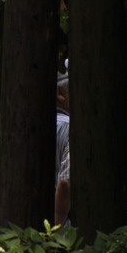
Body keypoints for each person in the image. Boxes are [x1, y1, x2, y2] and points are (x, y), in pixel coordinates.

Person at [55, 70, 71, 227]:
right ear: (60, 93)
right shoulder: (72, 130)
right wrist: (56, 227)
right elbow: (65, 183)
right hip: (61, 235)